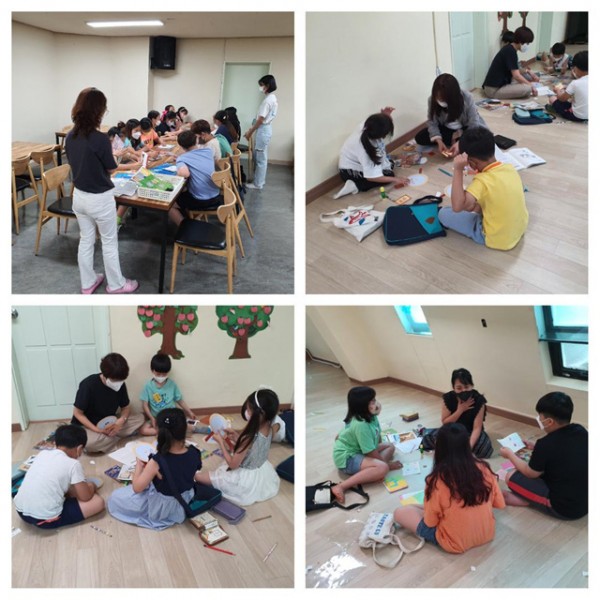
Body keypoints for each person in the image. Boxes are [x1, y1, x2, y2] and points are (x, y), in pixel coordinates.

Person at [65, 87, 138, 294]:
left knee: (86, 240)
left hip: (79, 197)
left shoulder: (70, 136)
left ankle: (87, 282)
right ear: (98, 111)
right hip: (100, 199)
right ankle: (116, 284)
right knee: (109, 242)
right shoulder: (100, 139)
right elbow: (111, 168)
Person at [394, 423, 505, 553]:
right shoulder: (484, 468)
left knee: (400, 512)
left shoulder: (436, 480)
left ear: (438, 448)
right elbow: (499, 503)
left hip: (454, 543)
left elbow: (430, 522)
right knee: (422, 507)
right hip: (487, 534)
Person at [107, 408, 203, 530]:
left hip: (163, 506)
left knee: (115, 497)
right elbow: (186, 471)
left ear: (158, 432)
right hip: (186, 497)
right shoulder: (195, 452)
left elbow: (137, 488)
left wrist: (139, 467)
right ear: (184, 429)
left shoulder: (157, 461)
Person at [438, 126, 528, 250]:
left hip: (497, 239)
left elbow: (457, 207)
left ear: (472, 162)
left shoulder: (481, 182)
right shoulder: (509, 168)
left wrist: (458, 170)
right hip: (520, 228)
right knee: (475, 204)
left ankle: (480, 230)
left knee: (443, 213)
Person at [500, 392, 588, 520]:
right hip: (586, 500)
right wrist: (535, 446)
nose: (539, 419)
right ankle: (531, 498)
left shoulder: (546, 443)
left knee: (510, 475)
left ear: (549, 421)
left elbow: (530, 473)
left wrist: (509, 454)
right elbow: (564, 450)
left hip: (565, 508)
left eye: (540, 416)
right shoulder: (581, 430)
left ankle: (531, 501)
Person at [195, 388, 281, 505]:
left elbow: (233, 465)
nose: (246, 412)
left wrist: (221, 443)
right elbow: (254, 448)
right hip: (261, 472)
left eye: (248, 409)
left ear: (258, 414)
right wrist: (237, 437)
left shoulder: (248, 438)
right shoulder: (270, 428)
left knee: (199, 478)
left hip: (243, 480)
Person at [14, 425, 105, 529]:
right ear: (79, 449)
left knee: (66, 488)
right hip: (43, 519)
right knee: (98, 502)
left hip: (20, 510)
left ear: (55, 443)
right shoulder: (73, 464)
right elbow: (85, 497)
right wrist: (92, 486)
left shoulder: (43, 453)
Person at [330, 386, 402, 505]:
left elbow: (377, 437)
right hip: (347, 459)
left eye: (375, 399)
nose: (376, 403)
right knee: (382, 468)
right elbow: (370, 452)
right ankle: (341, 486)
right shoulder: (361, 424)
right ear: (362, 405)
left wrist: (377, 452)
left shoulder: (371, 416)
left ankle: (372, 470)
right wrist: (387, 465)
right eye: (372, 401)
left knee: (390, 446)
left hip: (360, 450)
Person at [71, 352, 145, 453]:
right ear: (105, 375)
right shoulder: (88, 385)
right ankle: (115, 438)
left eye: (121, 380)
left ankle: (110, 439)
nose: (118, 383)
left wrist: (120, 421)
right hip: (89, 426)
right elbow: (77, 413)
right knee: (89, 443)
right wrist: (97, 430)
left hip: (110, 422)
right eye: (115, 380)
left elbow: (125, 407)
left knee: (140, 418)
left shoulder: (120, 384)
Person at [335, 108, 410, 198]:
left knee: (389, 165)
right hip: (350, 173)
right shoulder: (368, 150)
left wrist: (385, 116)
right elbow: (372, 177)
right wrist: (396, 179)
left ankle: (389, 165)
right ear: (383, 134)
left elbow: (379, 123)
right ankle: (356, 185)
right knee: (389, 175)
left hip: (356, 162)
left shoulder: (367, 126)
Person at [414, 74, 488, 157]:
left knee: (482, 139)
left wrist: (461, 142)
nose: (440, 100)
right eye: (437, 97)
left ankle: (457, 139)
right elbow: (432, 122)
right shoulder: (432, 99)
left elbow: (474, 123)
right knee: (420, 137)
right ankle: (454, 138)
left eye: (443, 99)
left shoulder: (467, 97)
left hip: (465, 128)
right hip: (447, 130)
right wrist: (439, 141)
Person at [168, 130, 223, 226]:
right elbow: (196, 159)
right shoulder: (208, 151)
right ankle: (192, 217)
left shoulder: (182, 158)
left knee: (169, 204)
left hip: (202, 199)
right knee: (184, 191)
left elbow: (184, 174)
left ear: (181, 147)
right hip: (215, 193)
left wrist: (180, 162)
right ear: (196, 140)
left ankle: (185, 227)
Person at [139, 353, 200, 436]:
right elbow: (145, 405)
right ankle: (169, 430)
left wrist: (190, 412)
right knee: (143, 430)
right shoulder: (148, 386)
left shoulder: (172, 384)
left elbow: (180, 400)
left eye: (164, 374)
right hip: (157, 417)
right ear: (152, 370)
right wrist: (151, 418)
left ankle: (168, 430)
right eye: (158, 374)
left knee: (187, 425)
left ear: (168, 372)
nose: (161, 376)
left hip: (171, 415)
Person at [441, 368, 493, 457]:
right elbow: (445, 422)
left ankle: (459, 448)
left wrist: (468, 448)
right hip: (454, 430)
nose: (463, 390)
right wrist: (460, 410)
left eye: (466, 387)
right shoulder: (448, 398)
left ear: (472, 386)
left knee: (484, 449)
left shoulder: (479, 400)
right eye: (459, 388)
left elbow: (477, 428)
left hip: (471, 431)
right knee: (438, 440)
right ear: (453, 388)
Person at [482, 26, 538, 99]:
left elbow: (515, 70)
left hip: (496, 85)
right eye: (527, 43)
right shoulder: (510, 52)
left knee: (524, 80)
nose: (527, 46)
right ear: (521, 42)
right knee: (527, 88)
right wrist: (531, 85)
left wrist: (528, 72)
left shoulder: (509, 49)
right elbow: (516, 76)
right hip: (494, 90)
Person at [244, 74, 278, 190]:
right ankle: (258, 180)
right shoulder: (272, 98)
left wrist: (250, 132)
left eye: (262, 85)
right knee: (259, 157)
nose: (261, 88)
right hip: (264, 129)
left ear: (267, 85)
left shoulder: (267, 101)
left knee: (260, 159)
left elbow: (260, 119)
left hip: (263, 130)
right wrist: (251, 130)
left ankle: (258, 184)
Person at [547, 50, 588, 122]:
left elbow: (562, 99)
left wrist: (558, 91)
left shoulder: (575, 83)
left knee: (552, 98)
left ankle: (555, 109)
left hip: (578, 116)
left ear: (576, 68)